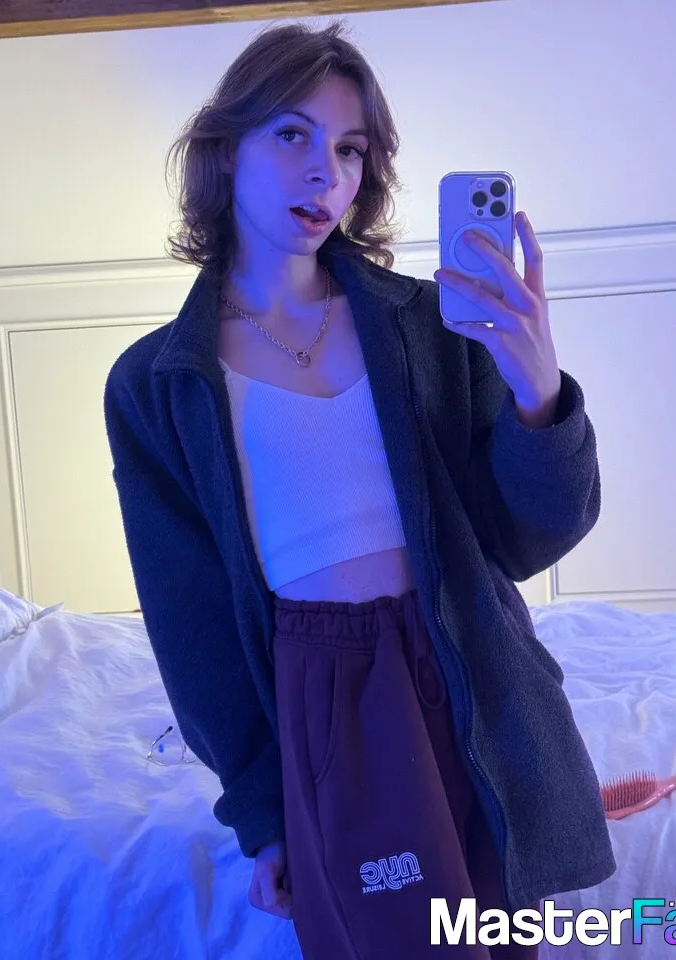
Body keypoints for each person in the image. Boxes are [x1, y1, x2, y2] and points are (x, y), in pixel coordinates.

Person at [104, 18, 616, 959]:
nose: (325, 174)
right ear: (226, 148)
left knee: (502, 937)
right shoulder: (157, 384)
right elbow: (191, 622)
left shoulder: (425, 321)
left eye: (349, 149)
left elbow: (525, 539)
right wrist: (261, 812)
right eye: (292, 134)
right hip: (326, 685)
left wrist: (539, 395)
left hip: (470, 658)